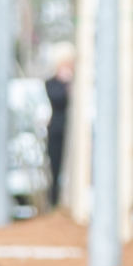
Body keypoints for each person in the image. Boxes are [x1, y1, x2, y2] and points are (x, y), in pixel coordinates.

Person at [42, 50, 74, 211]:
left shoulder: (77, 82)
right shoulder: (51, 83)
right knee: (55, 168)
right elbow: (57, 98)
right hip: (56, 131)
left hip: (73, 132)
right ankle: (54, 203)